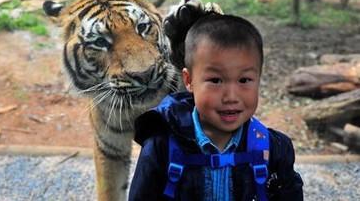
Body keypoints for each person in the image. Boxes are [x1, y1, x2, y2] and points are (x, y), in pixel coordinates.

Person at [129, 12, 303, 201]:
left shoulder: (273, 149)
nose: (231, 97)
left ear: (259, 79)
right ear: (189, 81)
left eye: (244, 80)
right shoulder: (161, 147)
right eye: (215, 80)